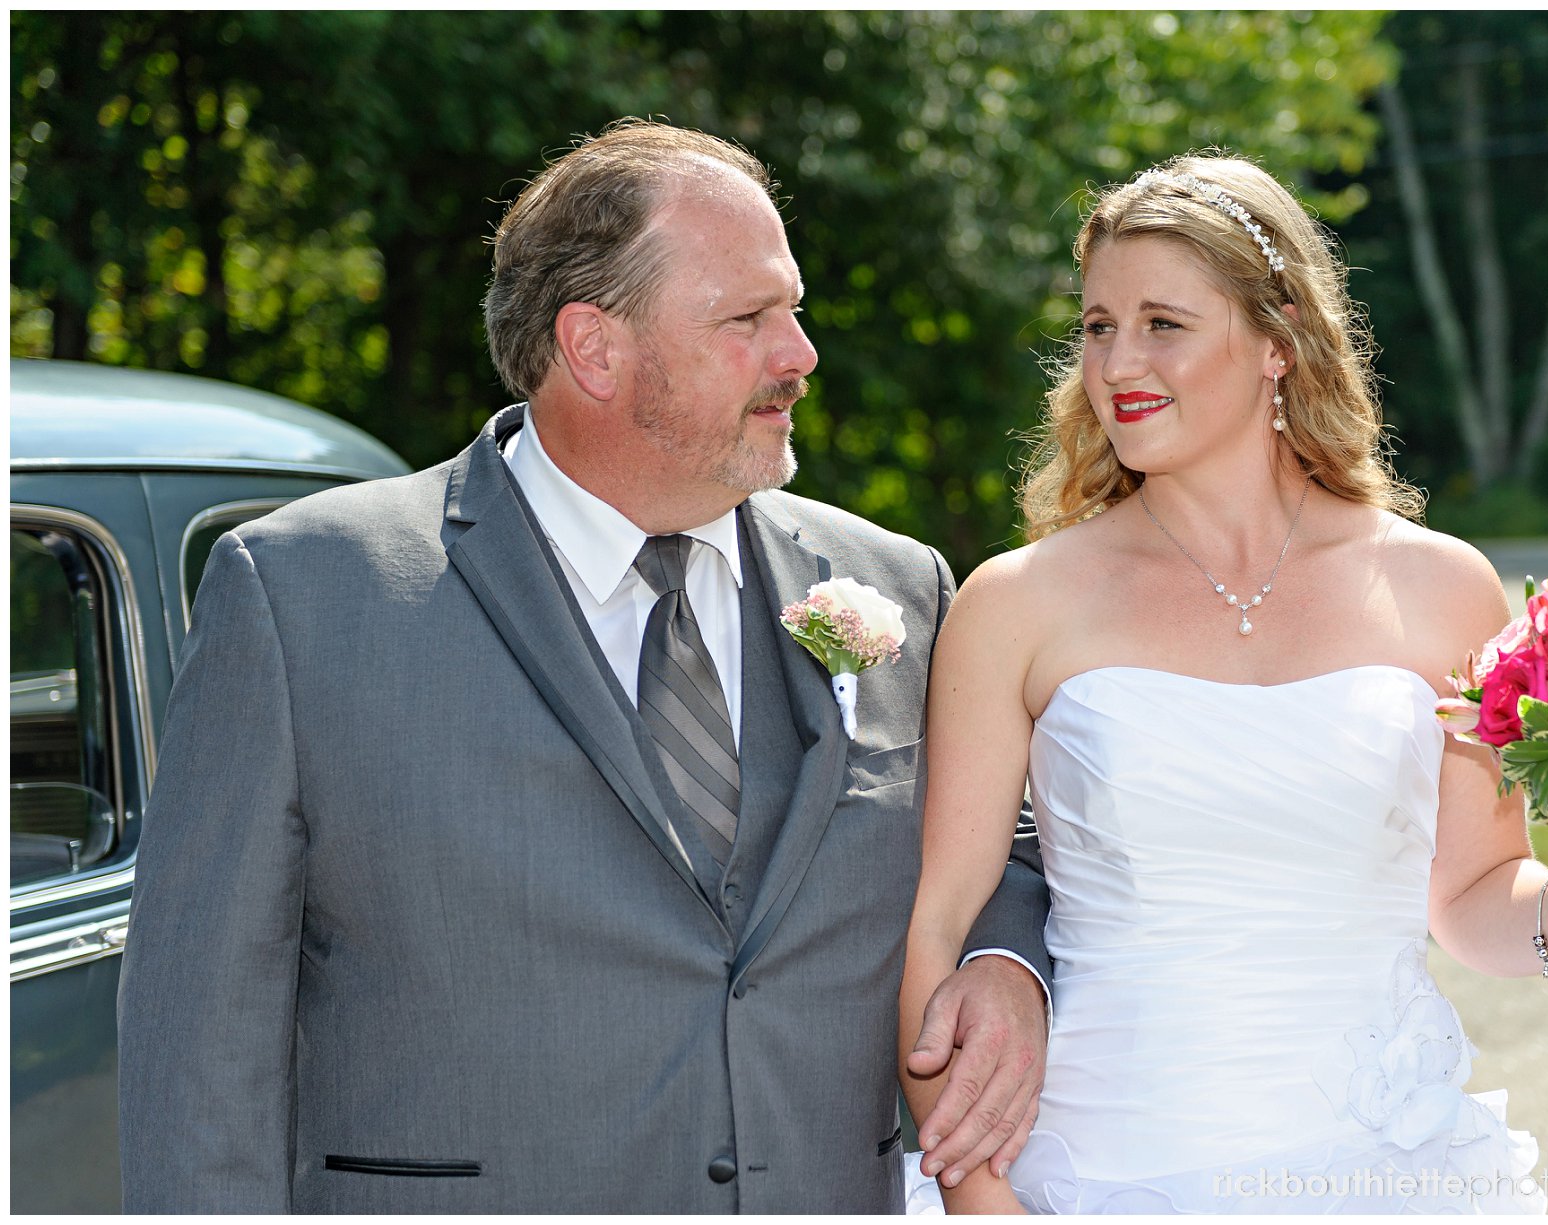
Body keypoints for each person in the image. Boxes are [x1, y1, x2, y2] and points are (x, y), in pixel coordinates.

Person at [116, 119, 1051, 1213]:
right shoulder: (304, 597)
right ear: (595, 348)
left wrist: (1005, 963)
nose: (799, 355)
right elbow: (198, 1046)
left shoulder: (899, 584)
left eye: (790, 309)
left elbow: (1007, 848)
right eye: (749, 319)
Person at [899, 154, 1548, 1214]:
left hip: (1388, 1169)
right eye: (1097, 325)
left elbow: (1471, 904)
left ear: (1278, 341)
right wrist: (977, 1193)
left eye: (1163, 323)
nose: (1116, 362)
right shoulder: (1015, 603)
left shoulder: (1441, 587)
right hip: (1096, 1172)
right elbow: (935, 929)